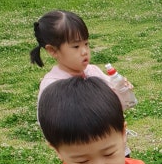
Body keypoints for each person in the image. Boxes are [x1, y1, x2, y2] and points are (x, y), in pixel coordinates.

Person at [32, 9, 136, 154]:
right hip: (86, 158)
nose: (84, 51)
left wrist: (122, 90)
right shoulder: (53, 85)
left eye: (86, 44)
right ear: (52, 50)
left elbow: (115, 108)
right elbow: (51, 125)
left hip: (115, 149)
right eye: (76, 46)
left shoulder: (93, 71)